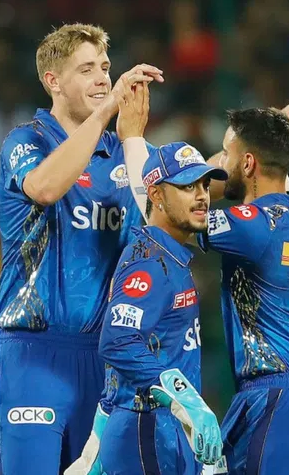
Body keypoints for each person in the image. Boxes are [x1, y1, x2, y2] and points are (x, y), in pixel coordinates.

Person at [123, 100, 289, 475]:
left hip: (272, 400)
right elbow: (275, 171)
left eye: (225, 153)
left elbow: (162, 214)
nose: (219, 164)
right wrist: (276, 128)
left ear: (248, 163)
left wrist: (132, 138)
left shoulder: (252, 226)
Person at [0, 22, 163, 474]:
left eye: (105, 67)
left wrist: (263, 139)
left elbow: (191, 187)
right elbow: (45, 188)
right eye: (87, 70)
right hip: (32, 355)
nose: (103, 79)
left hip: (106, 358)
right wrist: (104, 115)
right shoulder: (26, 141)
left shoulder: (125, 152)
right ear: (53, 81)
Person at [97, 138, 227, 475]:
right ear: (155, 194)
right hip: (146, 430)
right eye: (187, 186)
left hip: (162, 430)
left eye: (204, 185)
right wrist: (185, 398)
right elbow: (117, 340)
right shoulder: (149, 264)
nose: (202, 196)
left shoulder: (169, 256)